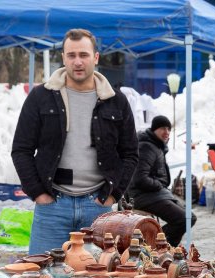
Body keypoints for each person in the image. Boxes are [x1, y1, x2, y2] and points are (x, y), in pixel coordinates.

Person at [12, 29, 139, 254]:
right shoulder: (41, 97)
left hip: (98, 208)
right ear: (63, 58)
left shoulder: (116, 101)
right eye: (71, 55)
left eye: (84, 55)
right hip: (52, 207)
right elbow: (21, 150)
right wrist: (39, 194)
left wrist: (112, 195)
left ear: (96, 58)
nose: (77, 62)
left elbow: (130, 153)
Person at [126, 115, 196, 246]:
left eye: (169, 129)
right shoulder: (146, 147)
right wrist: (159, 185)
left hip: (155, 195)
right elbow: (139, 179)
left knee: (189, 217)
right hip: (144, 196)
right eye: (163, 128)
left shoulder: (156, 146)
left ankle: (159, 247)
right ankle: (156, 246)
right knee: (185, 219)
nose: (167, 132)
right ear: (154, 129)